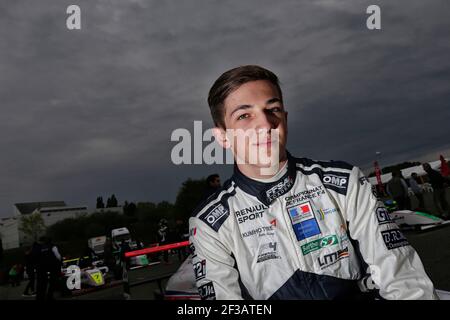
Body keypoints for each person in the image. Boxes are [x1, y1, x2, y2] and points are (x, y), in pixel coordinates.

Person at [189, 65, 437, 300]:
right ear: (222, 137)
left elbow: (402, 277)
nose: (265, 124)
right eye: (244, 115)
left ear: (284, 118)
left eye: (272, 109)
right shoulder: (210, 223)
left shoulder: (343, 182)